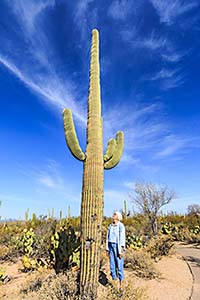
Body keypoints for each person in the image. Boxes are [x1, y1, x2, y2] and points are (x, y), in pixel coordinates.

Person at [106, 211, 125, 291]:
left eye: (115, 214)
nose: (113, 215)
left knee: (119, 266)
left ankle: (121, 284)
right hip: (111, 246)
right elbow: (107, 237)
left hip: (118, 247)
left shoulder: (121, 226)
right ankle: (114, 283)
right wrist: (107, 248)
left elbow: (122, 238)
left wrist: (120, 251)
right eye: (113, 214)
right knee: (112, 265)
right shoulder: (110, 225)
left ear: (118, 216)